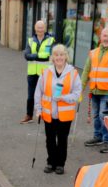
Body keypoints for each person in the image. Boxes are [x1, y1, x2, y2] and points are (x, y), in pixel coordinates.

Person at [33, 44, 81, 175]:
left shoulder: (73, 73)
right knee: (49, 139)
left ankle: (60, 164)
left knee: (62, 139)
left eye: (61, 54)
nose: (59, 57)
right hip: (48, 113)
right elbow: (39, 92)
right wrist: (38, 108)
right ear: (52, 58)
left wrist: (63, 98)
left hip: (65, 115)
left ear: (66, 56)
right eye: (56, 55)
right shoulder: (45, 72)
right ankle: (51, 162)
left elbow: (77, 93)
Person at [81, 27, 108, 154]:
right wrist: (81, 88)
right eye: (104, 36)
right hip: (94, 91)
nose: (106, 38)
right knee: (96, 116)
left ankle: (107, 141)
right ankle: (98, 136)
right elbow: (86, 71)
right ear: (100, 37)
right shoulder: (93, 52)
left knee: (103, 116)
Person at [22, 20, 55, 123]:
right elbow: (27, 56)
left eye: (42, 27)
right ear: (35, 29)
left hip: (45, 73)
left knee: (45, 95)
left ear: (45, 28)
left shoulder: (50, 40)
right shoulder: (30, 40)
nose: (40, 29)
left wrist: (35, 56)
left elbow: (49, 56)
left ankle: (45, 114)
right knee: (31, 96)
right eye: (38, 27)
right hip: (32, 73)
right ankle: (29, 115)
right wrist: (40, 56)